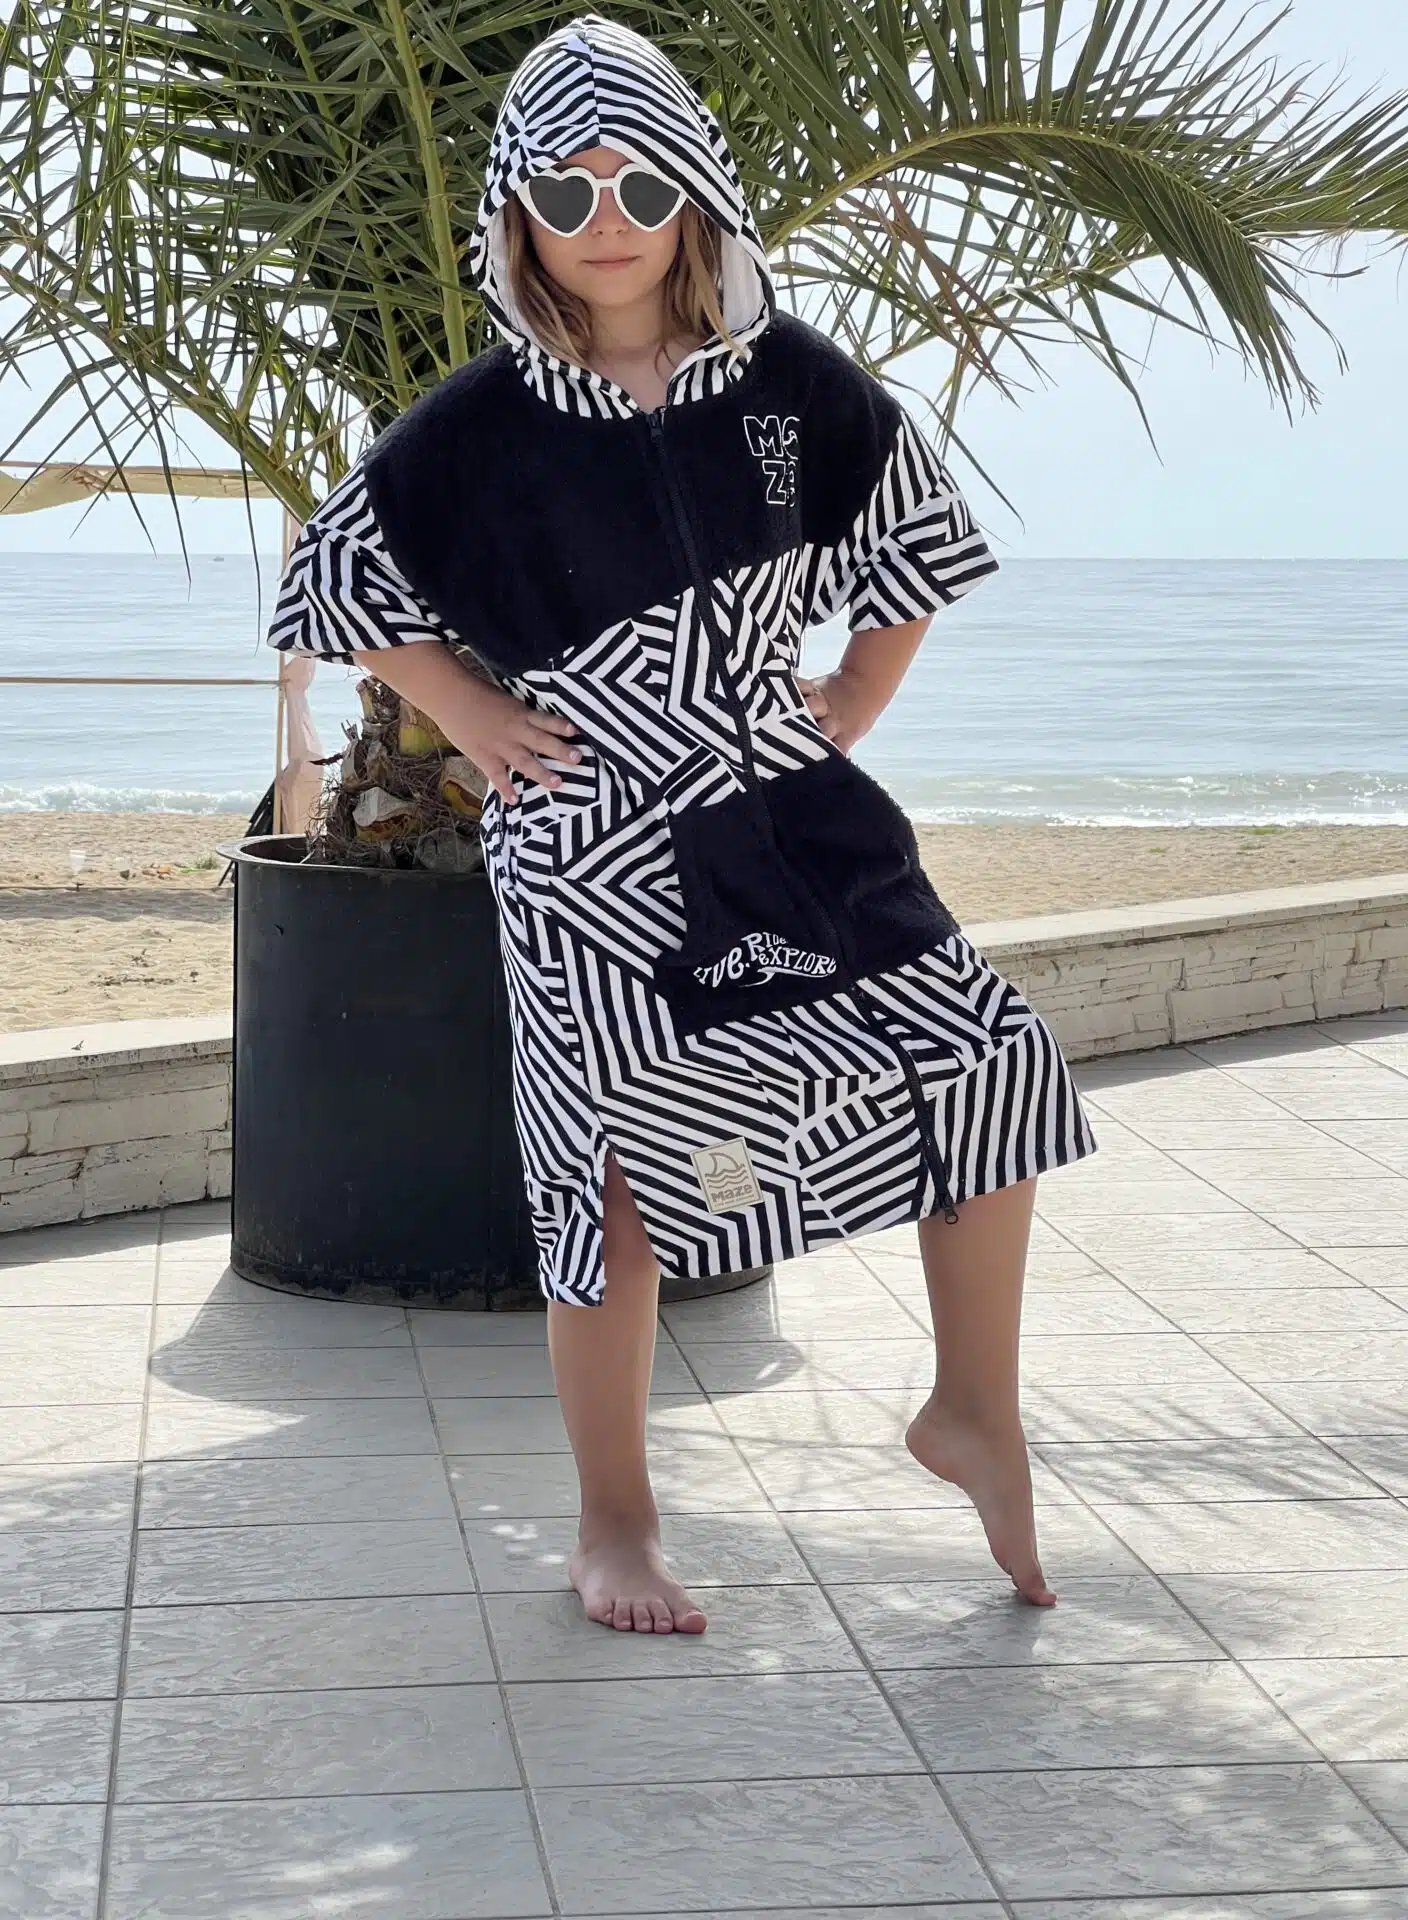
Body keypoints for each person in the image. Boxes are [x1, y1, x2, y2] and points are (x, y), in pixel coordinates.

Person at [267, 12, 1100, 1637]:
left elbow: (911, 529)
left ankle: (973, 1412)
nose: (610, 223)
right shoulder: (480, 425)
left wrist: (853, 696)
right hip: (589, 843)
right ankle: (615, 1523)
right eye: (567, 194)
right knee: (618, 1190)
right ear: (516, 214)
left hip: (791, 809)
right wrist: (470, 714)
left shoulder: (789, 385)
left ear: (696, 194)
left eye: (642, 186)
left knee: (992, 1064)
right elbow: (334, 576)